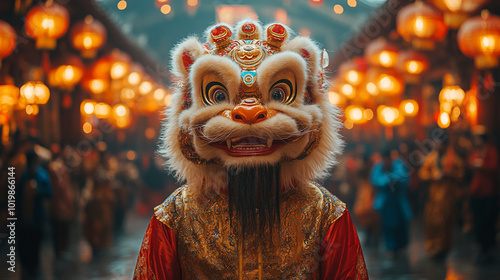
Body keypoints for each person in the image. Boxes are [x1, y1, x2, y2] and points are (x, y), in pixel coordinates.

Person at [133, 20, 368, 279]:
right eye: (219, 96)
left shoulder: (325, 215)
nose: (250, 112)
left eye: (278, 95)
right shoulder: (175, 216)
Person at [419, 136, 464, 259]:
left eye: (439, 144)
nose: (437, 146)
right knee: (431, 221)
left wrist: (450, 174)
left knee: (446, 223)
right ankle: (432, 247)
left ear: (445, 145)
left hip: (448, 197)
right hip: (433, 197)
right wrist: (433, 176)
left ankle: (443, 248)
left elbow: (461, 175)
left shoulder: (453, 159)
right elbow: (422, 173)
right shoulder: (431, 158)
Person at [17, 148, 53, 279]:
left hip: (37, 216)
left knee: (35, 242)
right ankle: (26, 266)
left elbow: (49, 192)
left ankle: (33, 266)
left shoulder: (41, 174)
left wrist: (38, 191)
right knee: (24, 243)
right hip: (23, 217)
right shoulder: (21, 174)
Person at [370, 146, 411, 258]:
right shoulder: (378, 167)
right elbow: (376, 181)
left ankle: (402, 247)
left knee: (402, 224)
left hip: (398, 201)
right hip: (386, 203)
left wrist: (389, 179)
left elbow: (404, 178)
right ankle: (391, 248)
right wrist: (391, 179)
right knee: (388, 226)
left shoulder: (399, 164)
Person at [468, 126, 498, 263]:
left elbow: (493, 167)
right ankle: (480, 244)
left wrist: (482, 165)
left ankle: (488, 246)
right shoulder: (477, 152)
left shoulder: (491, 151)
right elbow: (470, 163)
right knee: (478, 218)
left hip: (488, 192)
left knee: (488, 219)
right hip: (476, 191)